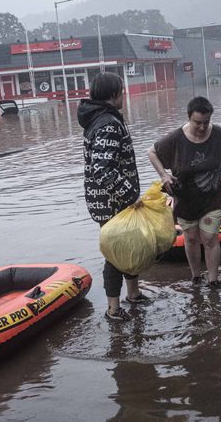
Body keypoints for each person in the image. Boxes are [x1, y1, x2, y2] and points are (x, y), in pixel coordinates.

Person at [147, 97, 221, 287]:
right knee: (190, 239)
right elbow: (152, 152)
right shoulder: (176, 138)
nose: (202, 127)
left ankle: (213, 280)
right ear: (189, 117)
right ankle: (196, 276)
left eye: (206, 122)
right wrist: (164, 175)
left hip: (212, 198)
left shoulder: (217, 133)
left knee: (209, 238)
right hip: (185, 200)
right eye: (197, 122)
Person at [77, 72, 149, 322]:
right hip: (112, 203)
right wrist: (130, 195)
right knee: (116, 253)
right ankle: (113, 309)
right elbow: (102, 169)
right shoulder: (107, 123)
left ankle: (134, 294)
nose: (124, 94)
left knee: (127, 247)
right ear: (113, 93)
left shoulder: (100, 118)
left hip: (107, 201)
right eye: (122, 89)